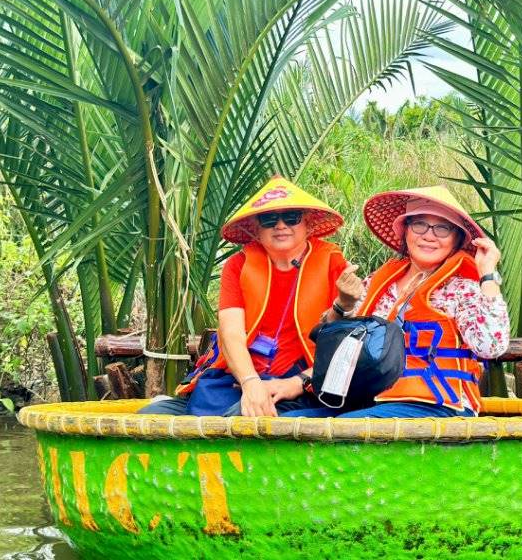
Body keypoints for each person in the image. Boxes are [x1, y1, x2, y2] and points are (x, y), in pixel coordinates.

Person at [138, 176, 361, 416]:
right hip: (239, 380)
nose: (281, 225)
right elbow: (231, 332)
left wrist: (298, 382)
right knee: (151, 416)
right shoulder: (238, 265)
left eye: (291, 217)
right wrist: (250, 382)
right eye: (269, 219)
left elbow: (347, 346)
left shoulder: (333, 264)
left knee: (242, 418)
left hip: (300, 384)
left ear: (307, 223)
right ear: (255, 228)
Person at [283, 185, 510, 419]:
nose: (429, 235)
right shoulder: (380, 281)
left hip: (438, 403)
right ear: (405, 231)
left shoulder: (463, 288)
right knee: (287, 420)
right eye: (419, 224)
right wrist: (343, 303)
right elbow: (330, 334)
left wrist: (487, 273)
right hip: (369, 400)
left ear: (456, 239)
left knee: (343, 427)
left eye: (442, 228)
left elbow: (492, 346)